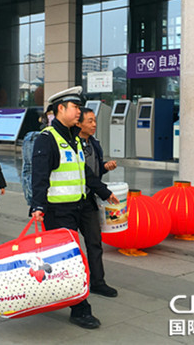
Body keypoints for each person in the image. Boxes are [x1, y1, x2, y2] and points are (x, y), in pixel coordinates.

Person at [30, 86, 119, 330]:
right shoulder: (47, 139)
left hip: (82, 205)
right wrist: (37, 205)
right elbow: (39, 176)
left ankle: (95, 283)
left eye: (80, 108)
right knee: (71, 260)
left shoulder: (75, 139)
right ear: (61, 108)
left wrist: (104, 192)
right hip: (59, 211)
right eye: (76, 107)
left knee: (93, 244)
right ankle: (80, 309)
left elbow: (86, 174)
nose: (79, 112)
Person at [76, 107, 119, 298]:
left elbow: (94, 173)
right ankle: (71, 283)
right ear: (79, 123)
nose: (94, 125)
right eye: (90, 121)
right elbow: (82, 173)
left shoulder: (94, 144)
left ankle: (98, 282)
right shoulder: (71, 144)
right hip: (68, 202)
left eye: (95, 121)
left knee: (94, 242)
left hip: (88, 201)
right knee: (68, 247)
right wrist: (104, 191)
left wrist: (105, 167)